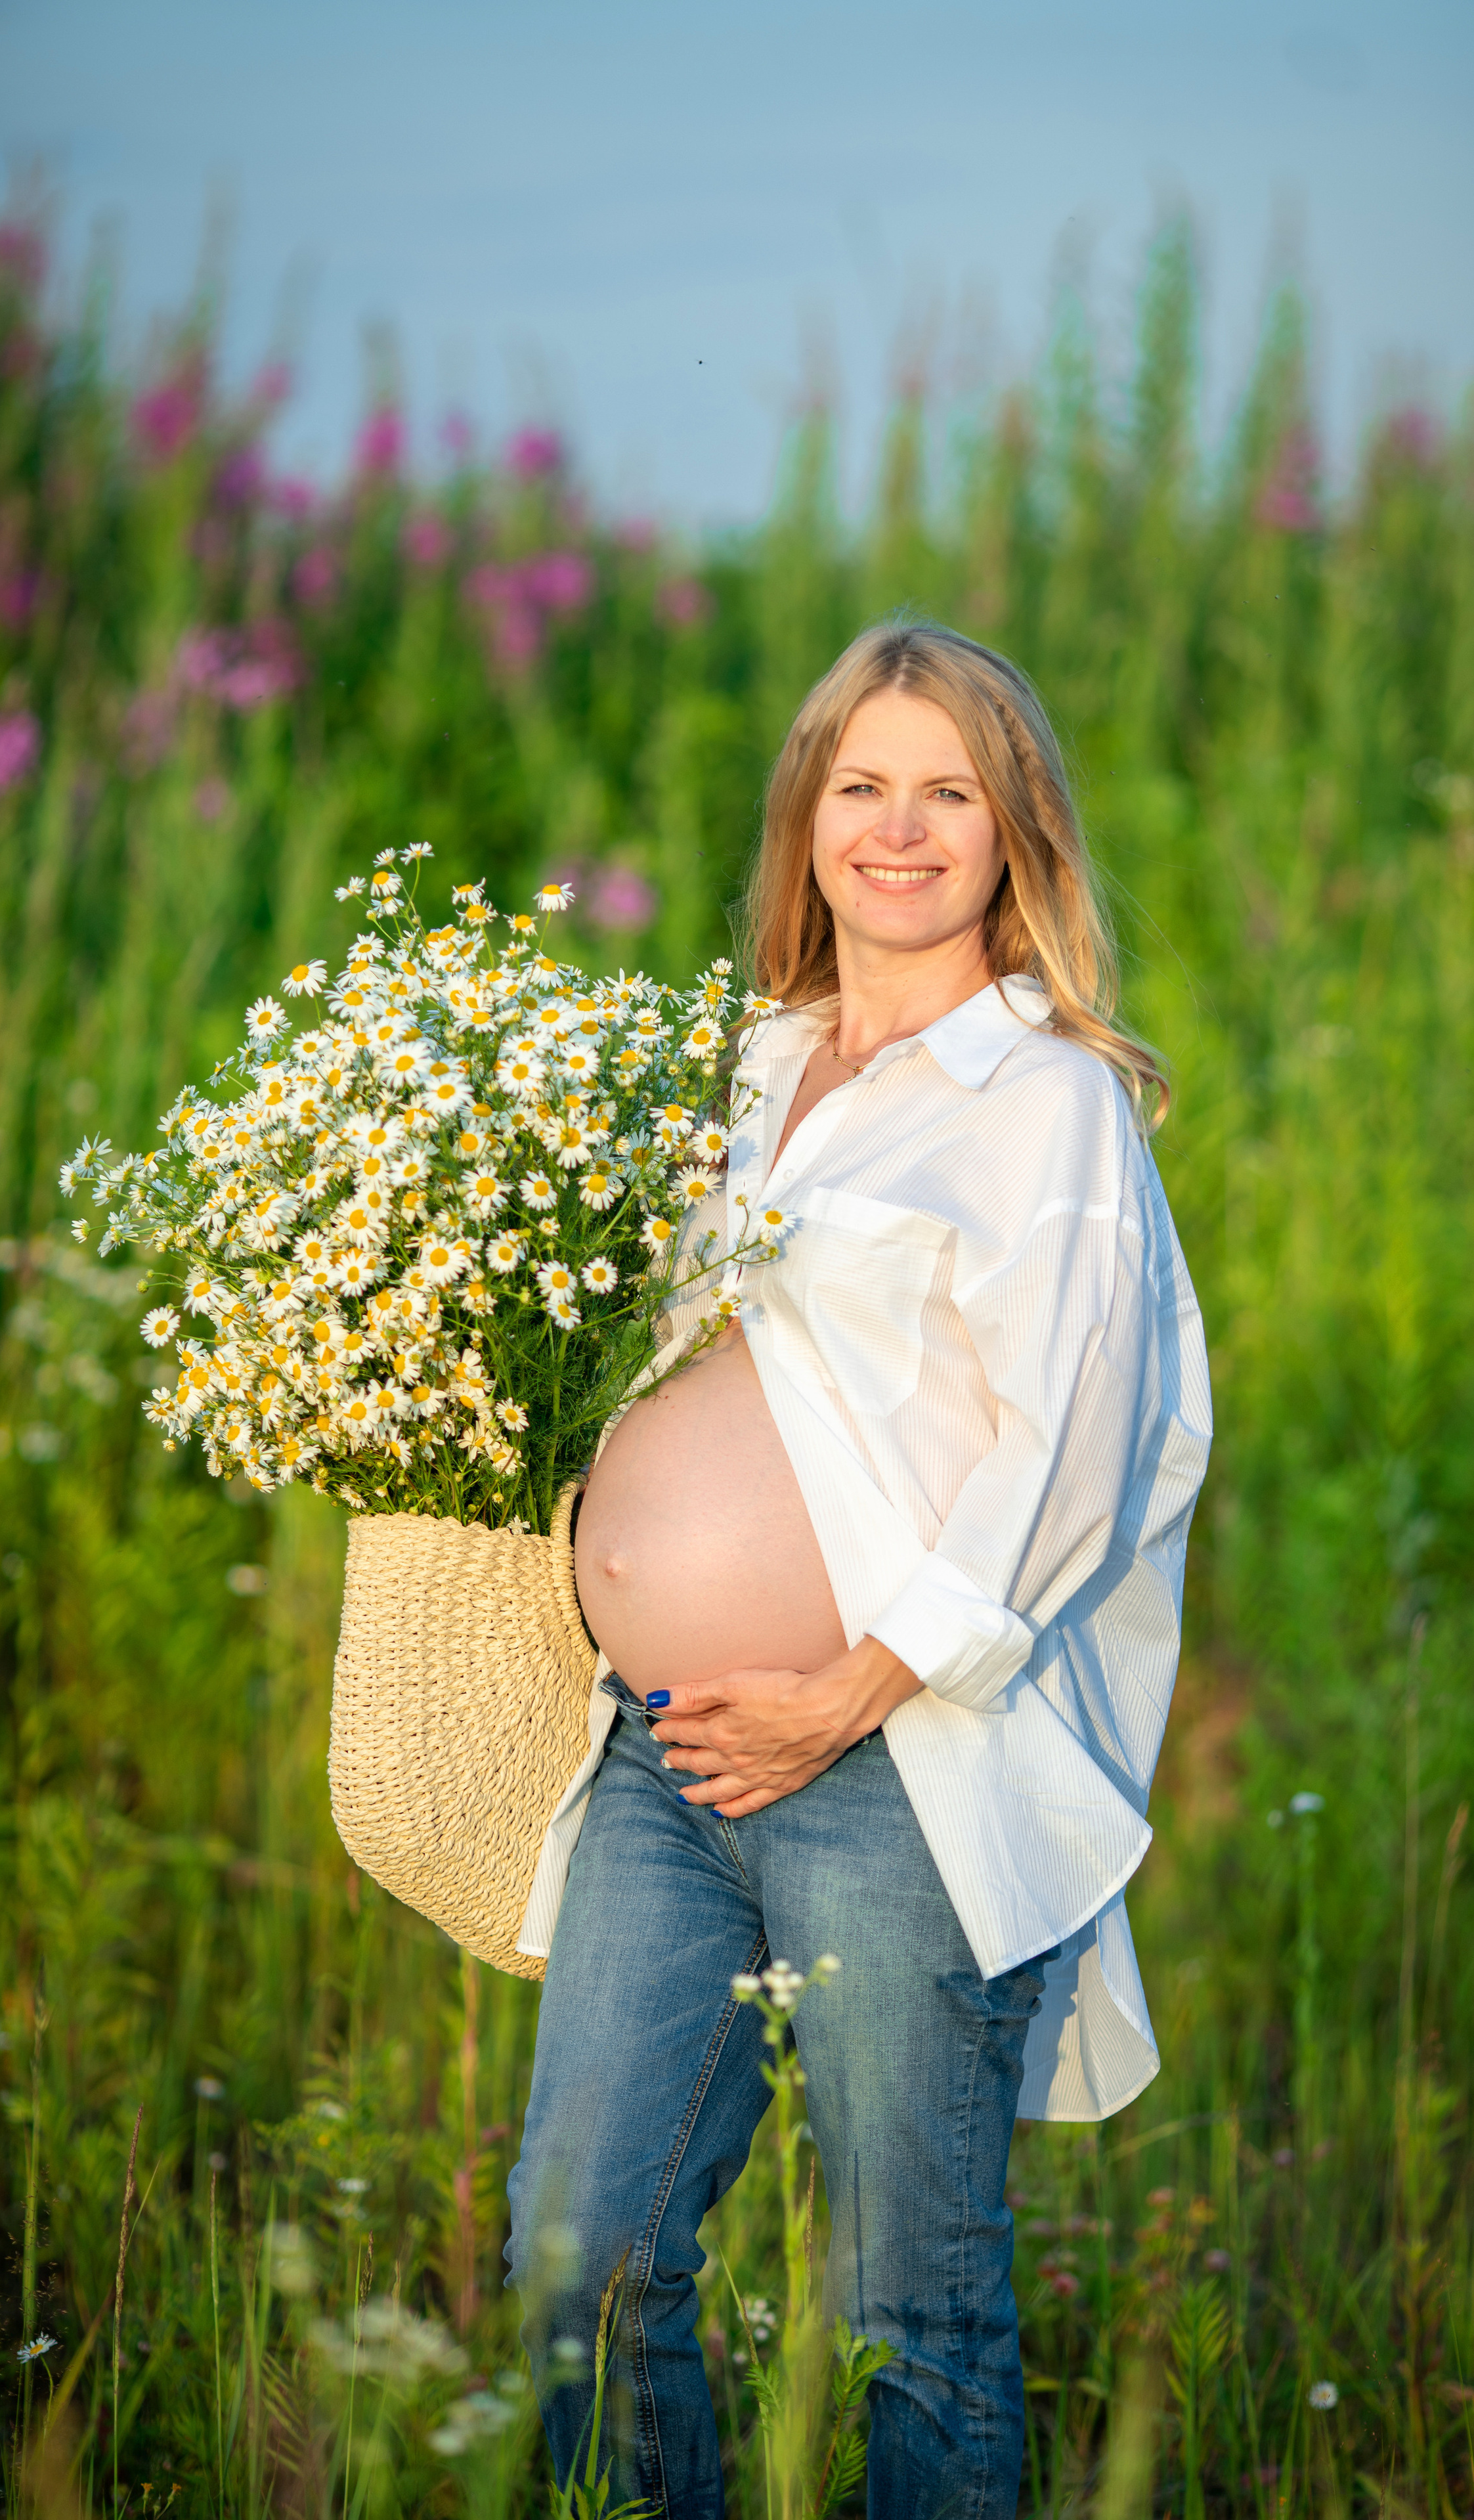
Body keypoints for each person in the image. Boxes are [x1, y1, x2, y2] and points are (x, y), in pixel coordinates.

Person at [506, 618, 1212, 2516]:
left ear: (1015, 832)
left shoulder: (1044, 1102)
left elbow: (1083, 1448)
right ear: (808, 818)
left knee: (914, 2310)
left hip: (894, 1760)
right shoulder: (748, 1062)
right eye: (861, 788)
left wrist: (849, 1689)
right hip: (666, 1754)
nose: (899, 831)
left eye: (948, 794)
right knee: (582, 2261)